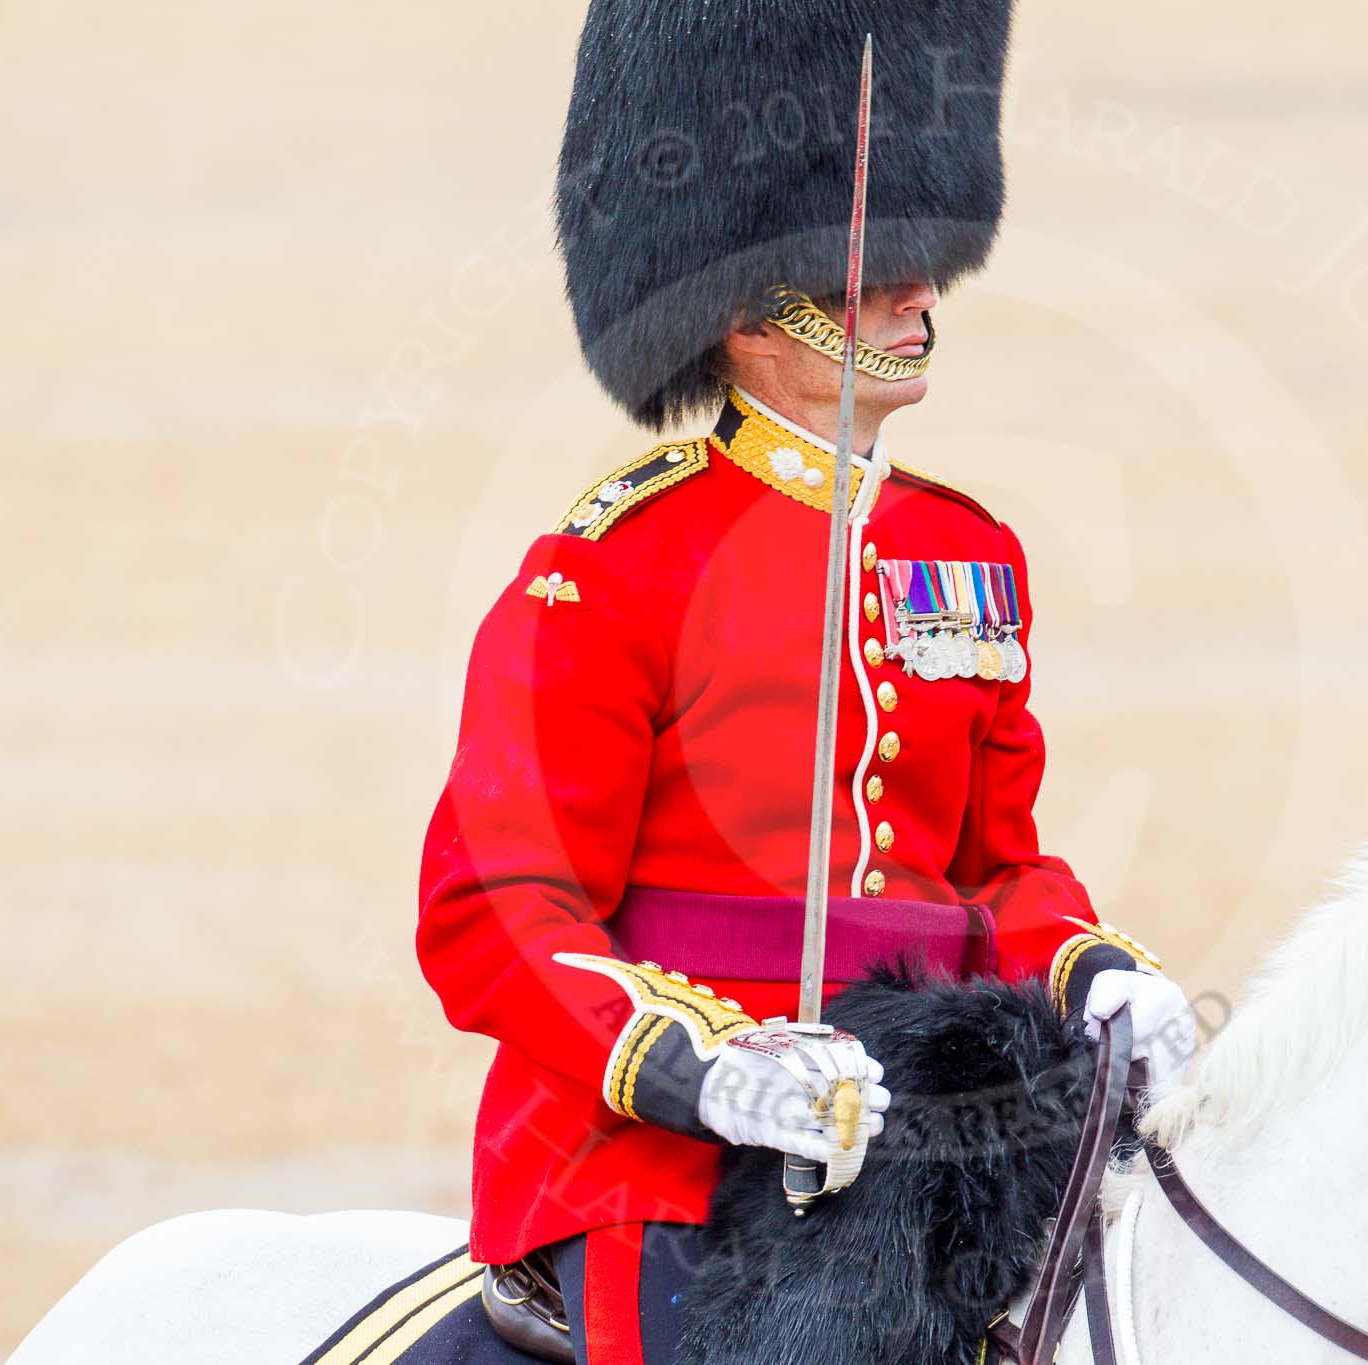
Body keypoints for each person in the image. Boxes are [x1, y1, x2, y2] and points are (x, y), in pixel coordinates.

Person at [416, 2, 1196, 1358]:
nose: (916, 296)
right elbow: (494, 904)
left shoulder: (962, 553)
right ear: (739, 303)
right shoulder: (613, 570)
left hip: (938, 1125)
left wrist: (1089, 968)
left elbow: (988, 868)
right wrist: (707, 1069)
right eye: (867, 272)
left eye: (917, 263)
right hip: (661, 1163)